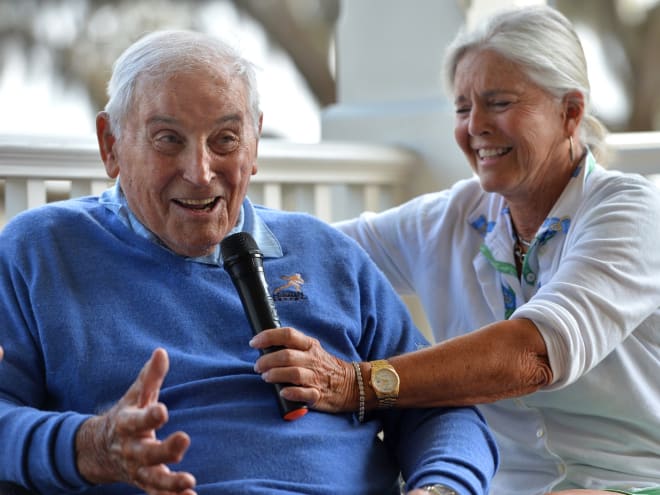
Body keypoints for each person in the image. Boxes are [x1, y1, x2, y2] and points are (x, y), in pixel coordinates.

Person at [0, 29, 498, 495]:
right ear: (111, 145)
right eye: (168, 139)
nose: (200, 173)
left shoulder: (328, 254)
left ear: (255, 143)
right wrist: (89, 444)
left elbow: (436, 408)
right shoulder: (40, 251)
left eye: (225, 140)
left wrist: (440, 487)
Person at [248, 5, 660, 495]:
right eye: (463, 109)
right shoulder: (450, 217)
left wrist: (356, 383)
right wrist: (186, 207)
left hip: (632, 480)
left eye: (500, 103)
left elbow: (534, 353)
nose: (475, 127)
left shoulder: (630, 211)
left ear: (570, 112)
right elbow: (316, 250)